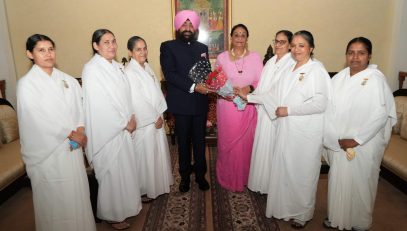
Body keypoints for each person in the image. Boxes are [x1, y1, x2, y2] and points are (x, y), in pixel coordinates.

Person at [17, 34, 96, 231]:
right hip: (48, 151)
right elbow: (36, 117)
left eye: (50, 49)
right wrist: (70, 133)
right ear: (30, 54)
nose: (48, 54)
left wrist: (80, 129)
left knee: (76, 194)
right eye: (41, 50)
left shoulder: (67, 79)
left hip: (73, 147)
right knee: (55, 199)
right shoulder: (27, 84)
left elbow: (80, 107)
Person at [323, 37, 396, 231]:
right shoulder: (339, 77)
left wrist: (356, 140)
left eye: (361, 53)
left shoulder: (376, 79)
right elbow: (328, 107)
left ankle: (360, 222)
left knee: (362, 183)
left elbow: (381, 114)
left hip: (364, 143)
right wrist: (332, 136)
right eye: (351, 52)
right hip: (339, 142)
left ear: (369, 56)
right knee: (338, 180)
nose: (355, 57)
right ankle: (337, 217)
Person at [264, 30, 332, 229]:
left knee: (303, 173)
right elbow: (273, 93)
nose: (296, 49)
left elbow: (321, 103)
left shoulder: (316, 70)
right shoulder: (290, 68)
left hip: (306, 133)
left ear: (311, 48)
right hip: (286, 129)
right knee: (286, 170)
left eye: (301, 45)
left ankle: (302, 213)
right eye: (293, 45)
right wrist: (250, 96)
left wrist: (289, 110)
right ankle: (285, 209)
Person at [82, 29, 141, 230]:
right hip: (107, 131)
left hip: (124, 127)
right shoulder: (91, 69)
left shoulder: (117, 67)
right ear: (95, 46)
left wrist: (131, 117)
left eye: (114, 41)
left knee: (125, 172)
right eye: (106, 42)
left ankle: (126, 208)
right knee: (112, 175)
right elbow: (100, 103)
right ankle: (113, 215)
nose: (112, 46)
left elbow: (127, 96)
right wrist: (123, 123)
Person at [160, 10, 212, 193]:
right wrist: (193, 86)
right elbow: (170, 74)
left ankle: (200, 175)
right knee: (183, 143)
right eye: (184, 24)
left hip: (199, 104)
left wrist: (211, 82)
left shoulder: (202, 48)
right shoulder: (168, 47)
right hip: (181, 104)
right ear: (177, 27)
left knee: (199, 142)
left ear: (196, 27)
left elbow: (206, 73)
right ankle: (184, 178)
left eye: (191, 25)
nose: (188, 28)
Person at [237, 30, 295, 194]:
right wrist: (249, 96)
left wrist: (249, 97)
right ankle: (261, 184)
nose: (277, 45)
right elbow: (262, 87)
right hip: (264, 111)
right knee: (262, 148)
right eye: (276, 41)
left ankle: (273, 187)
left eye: (282, 42)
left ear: (290, 45)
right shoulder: (271, 62)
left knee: (273, 151)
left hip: (275, 114)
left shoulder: (291, 64)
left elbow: (276, 93)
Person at [215, 24, 263, 192]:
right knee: (229, 143)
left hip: (248, 106)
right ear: (231, 37)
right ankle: (229, 177)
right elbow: (217, 81)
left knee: (246, 144)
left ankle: (245, 177)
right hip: (227, 106)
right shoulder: (222, 57)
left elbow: (260, 81)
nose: (240, 39)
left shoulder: (256, 57)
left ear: (247, 38)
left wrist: (247, 89)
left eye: (243, 35)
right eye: (236, 35)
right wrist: (227, 92)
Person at [125, 36, 174, 201]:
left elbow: (157, 91)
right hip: (145, 122)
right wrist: (154, 117)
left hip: (156, 119)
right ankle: (143, 189)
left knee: (156, 154)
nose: (143, 52)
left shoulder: (146, 67)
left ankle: (157, 185)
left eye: (144, 48)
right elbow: (137, 99)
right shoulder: (130, 72)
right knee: (144, 157)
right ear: (130, 52)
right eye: (138, 49)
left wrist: (160, 113)